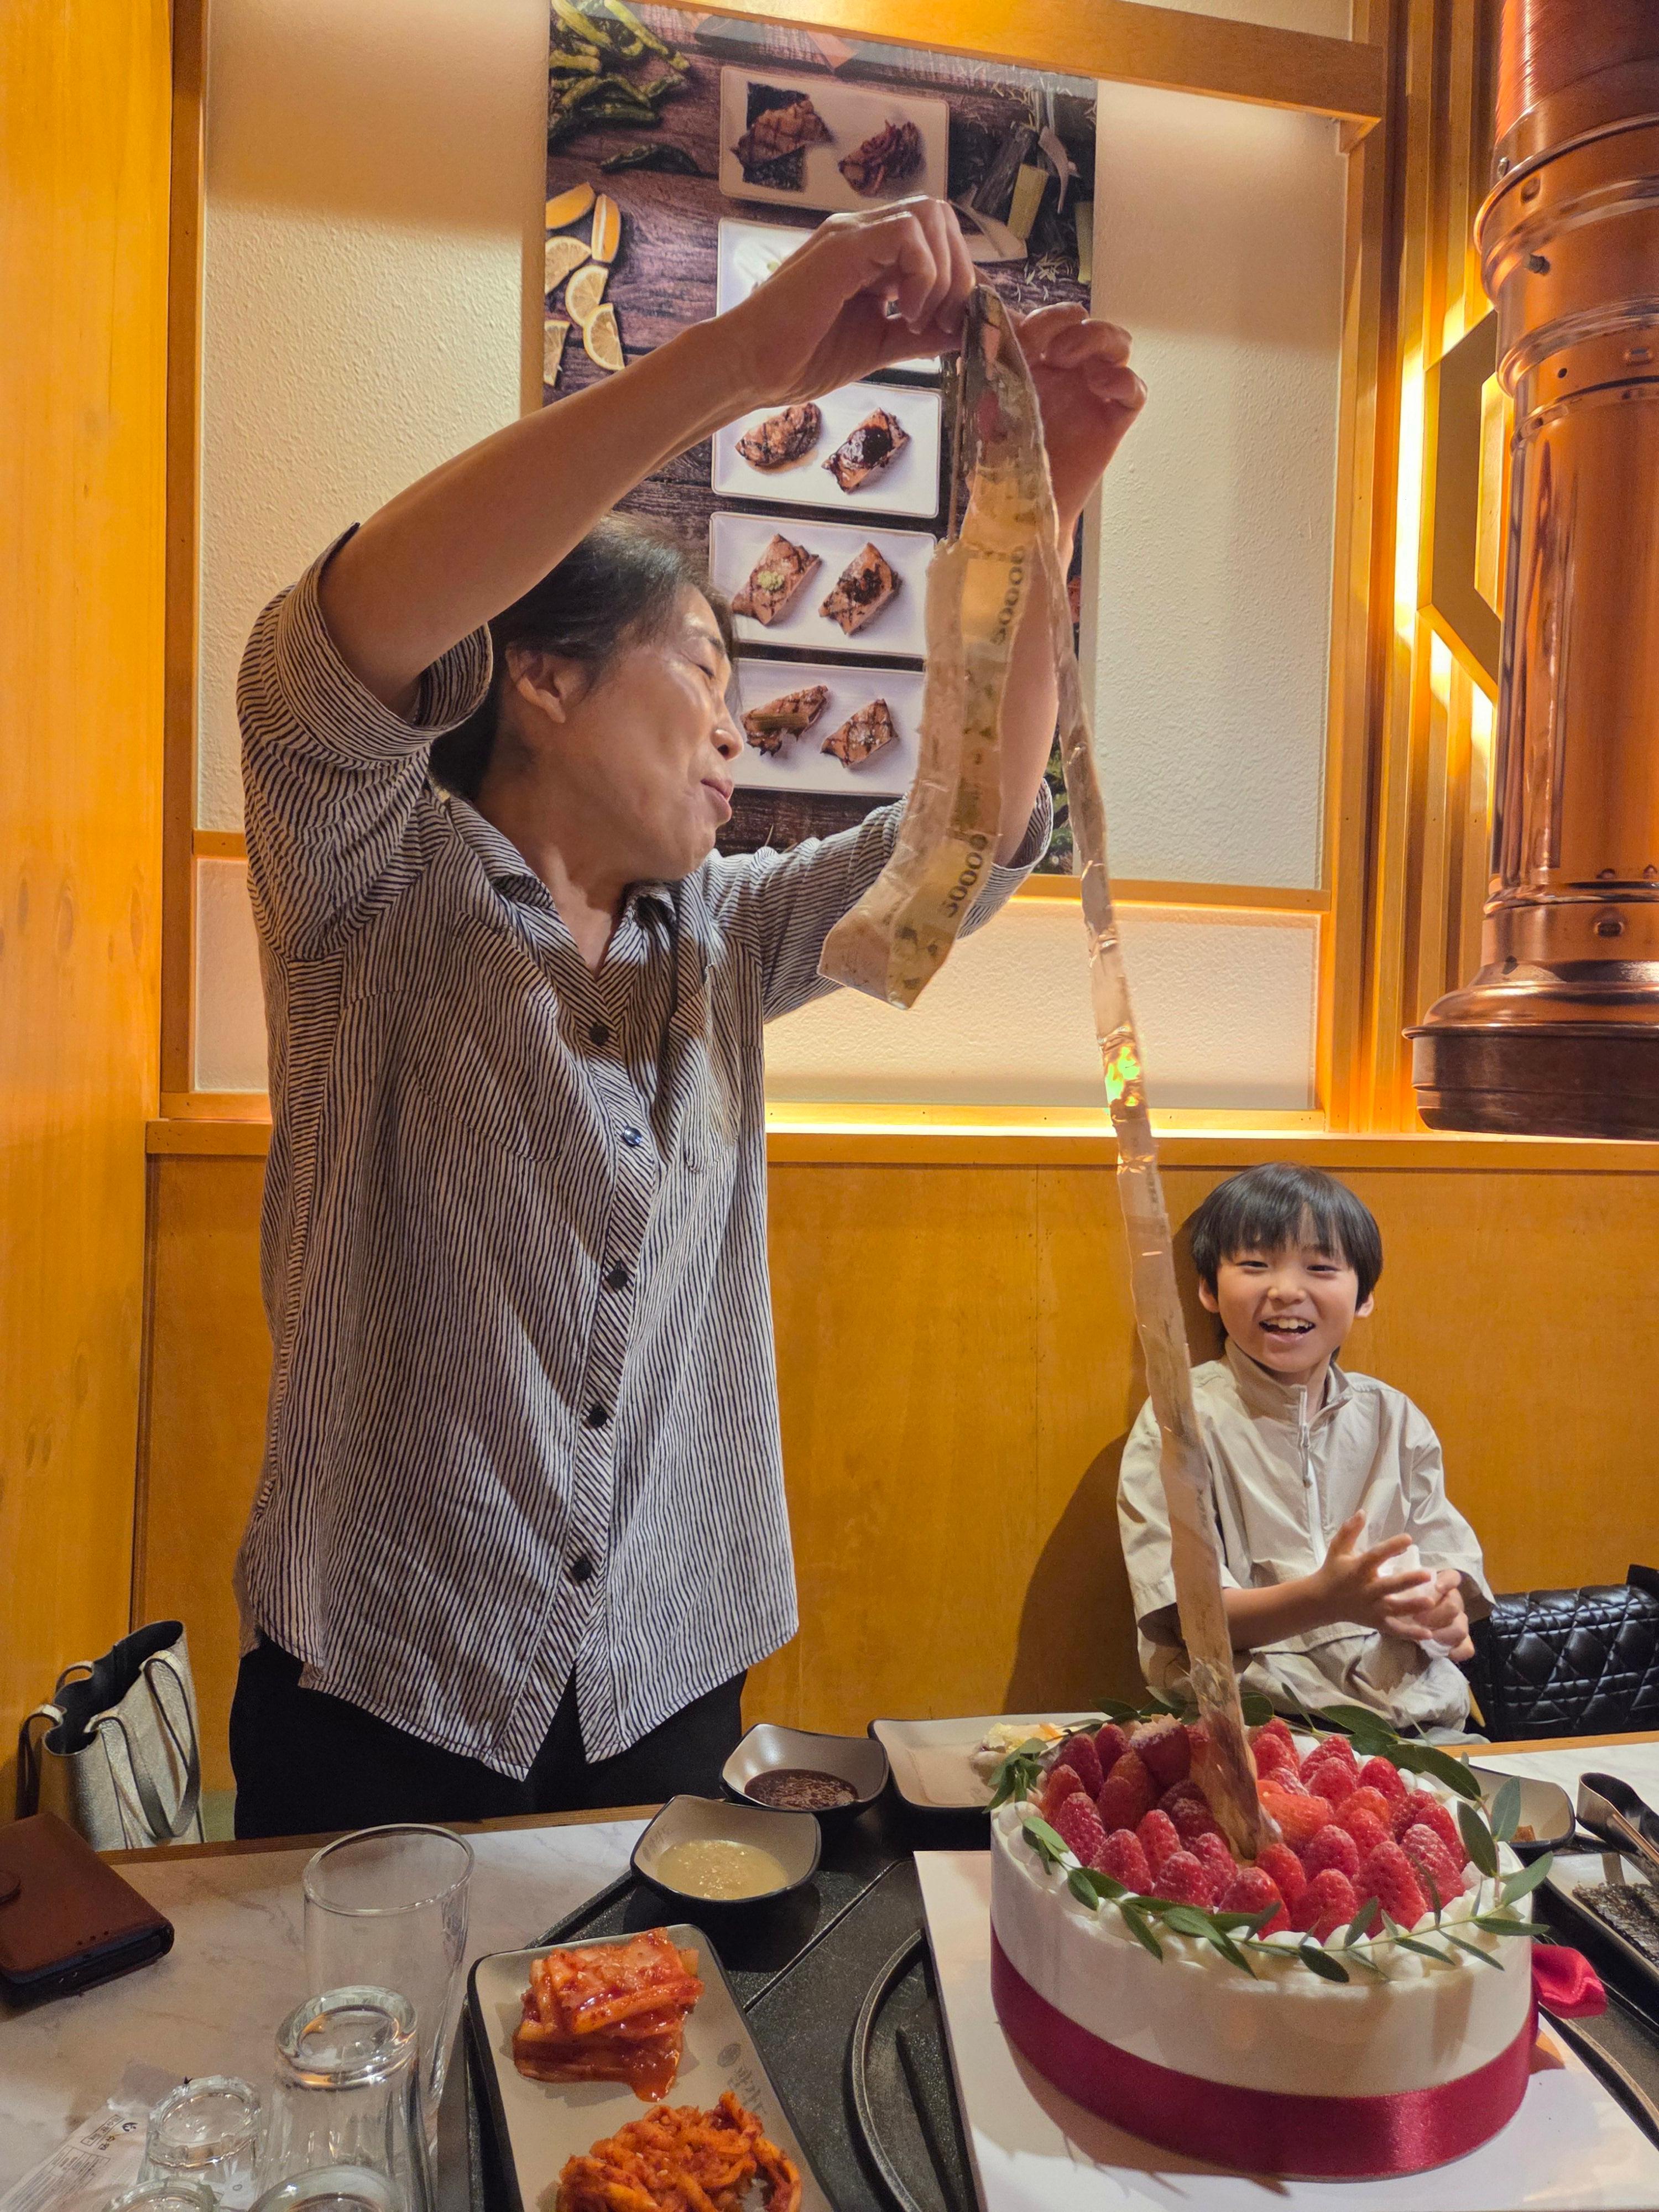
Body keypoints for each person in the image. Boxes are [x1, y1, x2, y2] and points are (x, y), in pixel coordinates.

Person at [227, 197, 1147, 1837]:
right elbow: (319, 654)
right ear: (543, 677)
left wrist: (1040, 504)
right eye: (704, 666)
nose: (735, 729)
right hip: (381, 1680)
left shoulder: (719, 933)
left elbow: (961, 840)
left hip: (662, 1676)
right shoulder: (367, 882)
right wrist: (739, 364)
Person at [1117, 1163, 1490, 1737]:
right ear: (1208, 1290)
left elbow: (1446, 1569)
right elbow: (1188, 1618)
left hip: (1419, 1727)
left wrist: (1442, 1611)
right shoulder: (1178, 1423)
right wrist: (1325, 1599)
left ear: (1364, 1297)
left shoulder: (1394, 1417)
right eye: (1255, 1265)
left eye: (1320, 1267)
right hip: (1257, 1734)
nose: (1287, 1290)